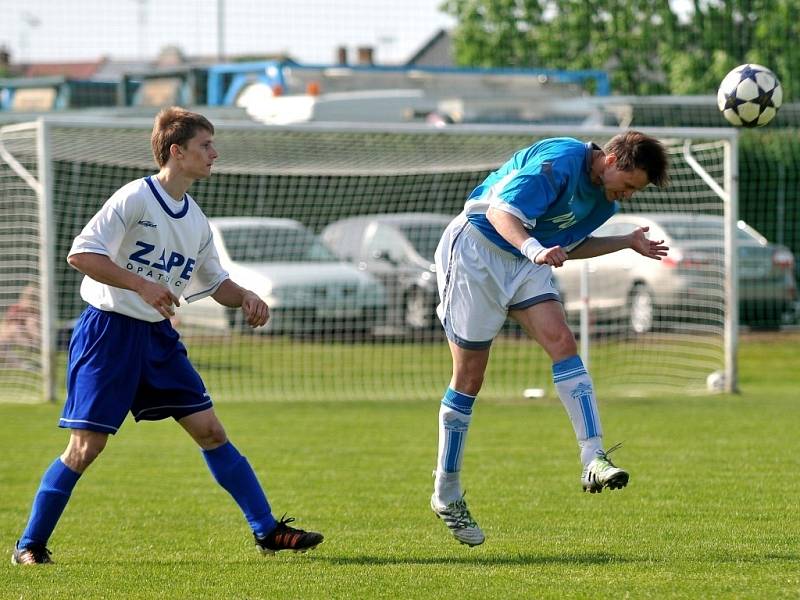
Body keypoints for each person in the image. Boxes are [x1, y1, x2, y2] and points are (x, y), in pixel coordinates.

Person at [12, 107, 323, 565]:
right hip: (108, 333)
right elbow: (81, 254)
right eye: (205, 146)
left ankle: (267, 530)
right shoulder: (135, 198)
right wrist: (140, 283)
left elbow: (216, 284)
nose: (214, 154)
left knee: (211, 431)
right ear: (176, 152)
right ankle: (29, 546)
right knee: (85, 448)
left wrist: (248, 297)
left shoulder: (195, 219)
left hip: (158, 339)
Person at [430, 131, 670, 547]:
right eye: (629, 185)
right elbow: (501, 214)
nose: (627, 196)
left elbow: (570, 245)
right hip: (476, 251)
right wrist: (534, 250)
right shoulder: (560, 160)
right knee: (469, 379)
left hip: (524, 260)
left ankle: (592, 457)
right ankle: (446, 492)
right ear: (611, 160)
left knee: (563, 342)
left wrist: (626, 242)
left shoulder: (604, 199)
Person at [0, 284, 40, 370]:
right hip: (7, 339)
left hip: (24, 339)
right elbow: (6, 327)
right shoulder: (16, 308)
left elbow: (35, 327)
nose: (30, 302)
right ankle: (22, 364)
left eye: (33, 299)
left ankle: (36, 349)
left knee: (32, 322)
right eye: (28, 298)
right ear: (23, 298)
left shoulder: (35, 314)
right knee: (14, 329)